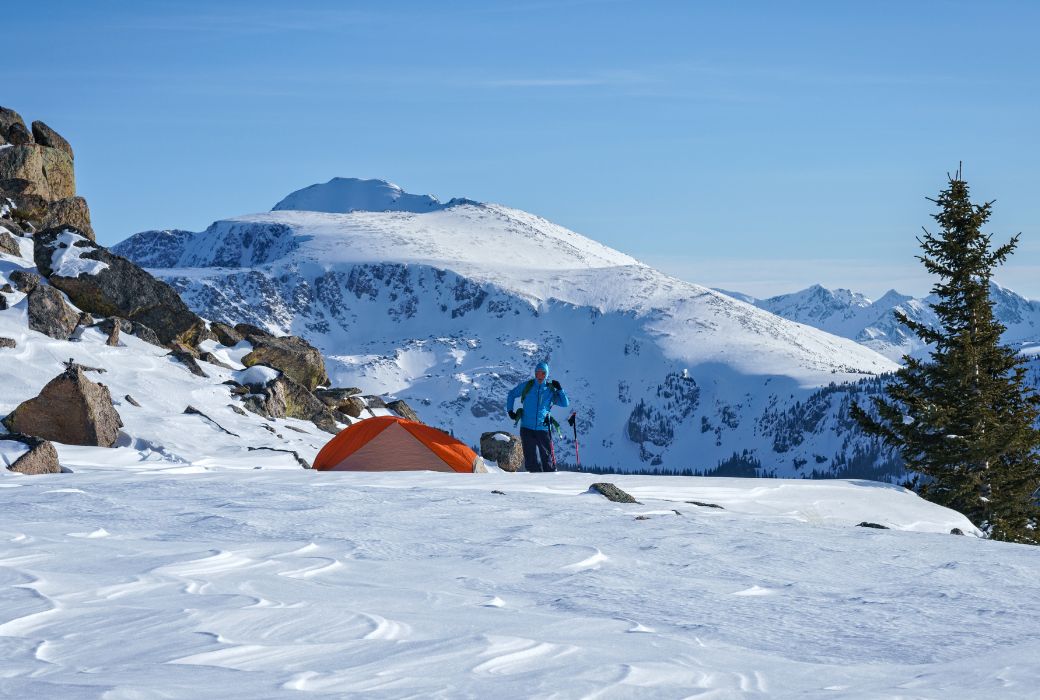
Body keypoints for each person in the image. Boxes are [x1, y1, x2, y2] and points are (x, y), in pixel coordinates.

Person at [505, 361, 569, 472]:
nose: (540, 376)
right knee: (530, 461)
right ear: (534, 374)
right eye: (537, 373)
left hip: (543, 428)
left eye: (543, 373)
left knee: (547, 460)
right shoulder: (528, 386)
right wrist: (510, 410)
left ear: (546, 374)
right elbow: (511, 394)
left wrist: (559, 389)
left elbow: (565, 403)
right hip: (526, 428)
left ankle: (550, 480)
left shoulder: (550, 390)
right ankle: (535, 480)